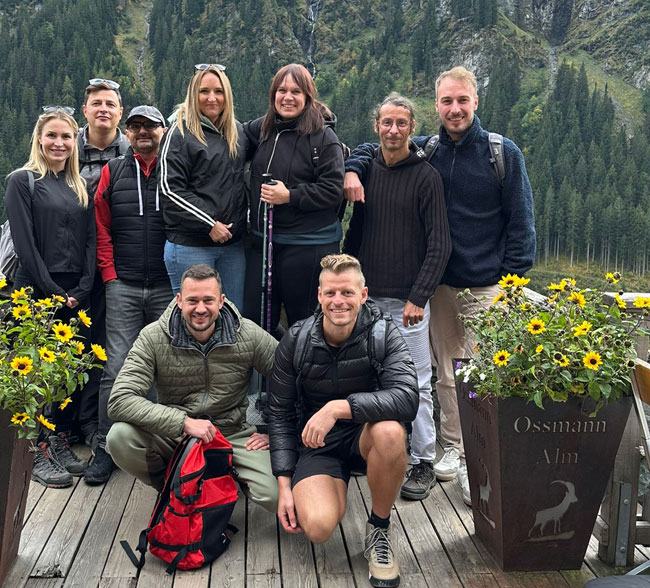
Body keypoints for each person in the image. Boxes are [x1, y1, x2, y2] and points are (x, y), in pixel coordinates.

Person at [344, 66, 536, 505]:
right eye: (447, 101)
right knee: (447, 376)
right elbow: (376, 149)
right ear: (436, 106)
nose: (454, 109)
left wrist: (513, 282)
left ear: (475, 102)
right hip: (441, 286)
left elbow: (522, 223)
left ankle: (486, 457)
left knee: (488, 373)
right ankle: (455, 450)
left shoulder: (501, 153)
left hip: (489, 284)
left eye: (462, 100)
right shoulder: (428, 151)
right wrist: (353, 167)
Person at [266, 254, 418, 588]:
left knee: (391, 431)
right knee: (318, 528)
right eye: (331, 293)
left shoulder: (384, 334)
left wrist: (339, 408)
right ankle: (334, 487)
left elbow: (408, 398)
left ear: (363, 295)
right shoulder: (297, 339)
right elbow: (278, 412)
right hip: (317, 444)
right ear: (319, 296)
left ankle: (378, 527)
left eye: (347, 293)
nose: (339, 301)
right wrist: (284, 485)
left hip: (366, 435)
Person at [343, 93, 451, 501]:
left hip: (408, 304)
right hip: (367, 301)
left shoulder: (426, 177)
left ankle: (423, 459)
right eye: (386, 123)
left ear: (411, 127)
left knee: (418, 383)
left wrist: (418, 297)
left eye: (401, 123)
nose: (393, 130)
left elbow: (439, 245)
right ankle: (369, 451)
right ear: (377, 127)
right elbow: (357, 233)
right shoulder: (367, 170)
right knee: (367, 377)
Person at [106, 264, 279, 512]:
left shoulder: (248, 334)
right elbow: (120, 400)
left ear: (221, 301)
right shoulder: (153, 337)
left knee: (274, 496)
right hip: (176, 434)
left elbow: (291, 379)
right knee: (119, 437)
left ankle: (220, 483)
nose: (200, 309)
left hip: (232, 433)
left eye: (208, 300)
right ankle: (174, 488)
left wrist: (278, 433)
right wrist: (183, 422)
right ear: (179, 301)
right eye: (192, 300)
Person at [5, 106, 95, 488]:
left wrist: (84, 286)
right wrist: (54, 292)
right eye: (52, 136)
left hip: (74, 290)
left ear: (75, 143)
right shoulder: (22, 181)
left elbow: (90, 239)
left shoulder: (78, 185)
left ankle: (55, 441)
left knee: (63, 372)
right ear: (39, 139)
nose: (59, 143)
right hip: (35, 288)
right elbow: (25, 246)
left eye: (67, 137)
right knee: (35, 370)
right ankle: (35, 450)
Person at [91, 105, 171, 485]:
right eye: (136, 127)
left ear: (164, 129)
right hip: (122, 283)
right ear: (127, 132)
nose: (143, 133)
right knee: (117, 366)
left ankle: (157, 446)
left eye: (150, 127)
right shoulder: (113, 171)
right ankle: (106, 446)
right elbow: (101, 226)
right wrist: (109, 275)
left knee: (164, 366)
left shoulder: (176, 169)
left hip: (166, 285)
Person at [243, 63, 345, 332]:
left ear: (308, 97)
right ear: (273, 94)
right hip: (264, 243)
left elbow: (333, 190)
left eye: (296, 91)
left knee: (305, 326)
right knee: (255, 322)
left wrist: (290, 196)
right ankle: (269, 373)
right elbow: (230, 134)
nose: (287, 97)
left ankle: (299, 374)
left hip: (308, 248)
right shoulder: (263, 130)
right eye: (281, 90)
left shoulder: (324, 137)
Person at [76, 78, 132, 469]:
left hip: (114, 263)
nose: (103, 109)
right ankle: (76, 426)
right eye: (97, 103)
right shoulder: (64, 148)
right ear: (85, 110)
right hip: (74, 261)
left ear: (120, 111)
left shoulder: (132, 152)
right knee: (77, 345)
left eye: (110, 104)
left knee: (109, 349)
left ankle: (104, 432)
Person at [159, 64, 247, 312]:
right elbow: (169, 189)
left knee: (232, 318)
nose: (212, 98)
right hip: (191, 245)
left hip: (231, 246)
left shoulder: (237, 131)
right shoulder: (179, 132)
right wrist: (209, 224)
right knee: (194, 317)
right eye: (204, 91)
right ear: (193, 94)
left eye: (218, 91)